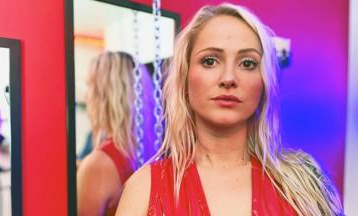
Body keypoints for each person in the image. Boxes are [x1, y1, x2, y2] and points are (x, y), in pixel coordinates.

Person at [116, 3, 344, 216]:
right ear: (185, 77)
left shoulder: (304, 184)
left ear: (264, 82)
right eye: (210, 61)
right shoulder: (145, 189)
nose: (228, 78)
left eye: (247, 63)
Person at [77, 51, 138, 216]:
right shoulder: (146, 149)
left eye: (90, 86)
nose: (86, 96)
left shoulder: (97, 165)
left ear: (102, 95)